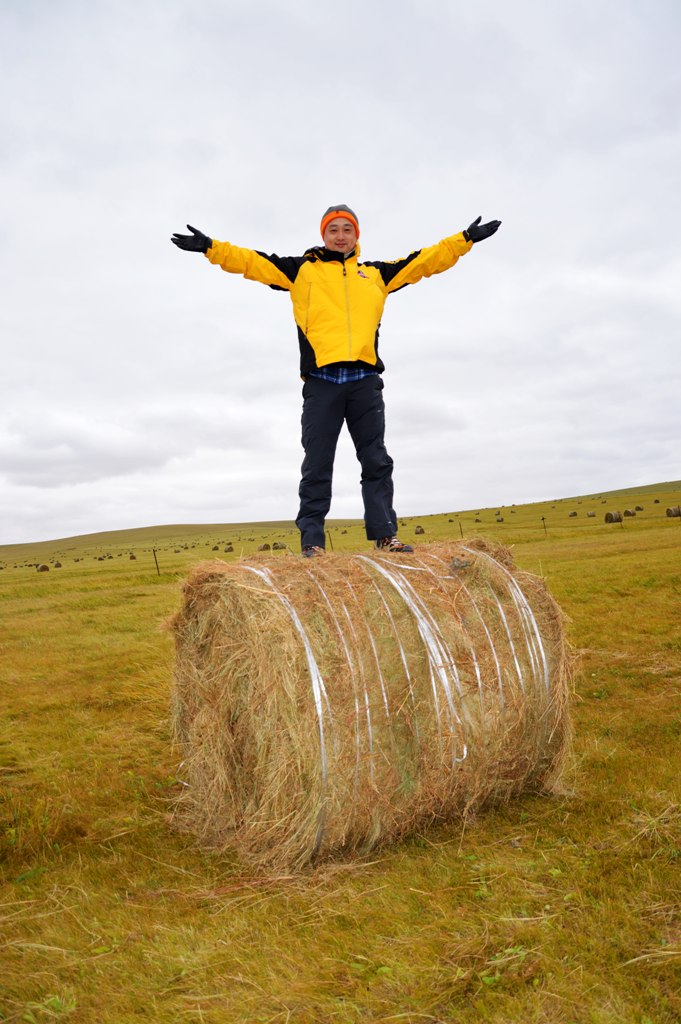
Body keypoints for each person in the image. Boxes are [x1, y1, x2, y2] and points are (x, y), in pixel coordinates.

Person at [171, 205, 501, 557]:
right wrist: (210, 246)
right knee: (317, 463)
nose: (340, 235)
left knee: (376, 461)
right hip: (322, 382)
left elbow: (424, 262)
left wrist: (465, 239)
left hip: (365, 382)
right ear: (323, 235)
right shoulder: (301, 270)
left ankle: (385, 535)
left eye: (347, 229)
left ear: (356, 236)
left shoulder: (376, 274)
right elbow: (251, 261)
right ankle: (312, 542)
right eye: (333, 229)